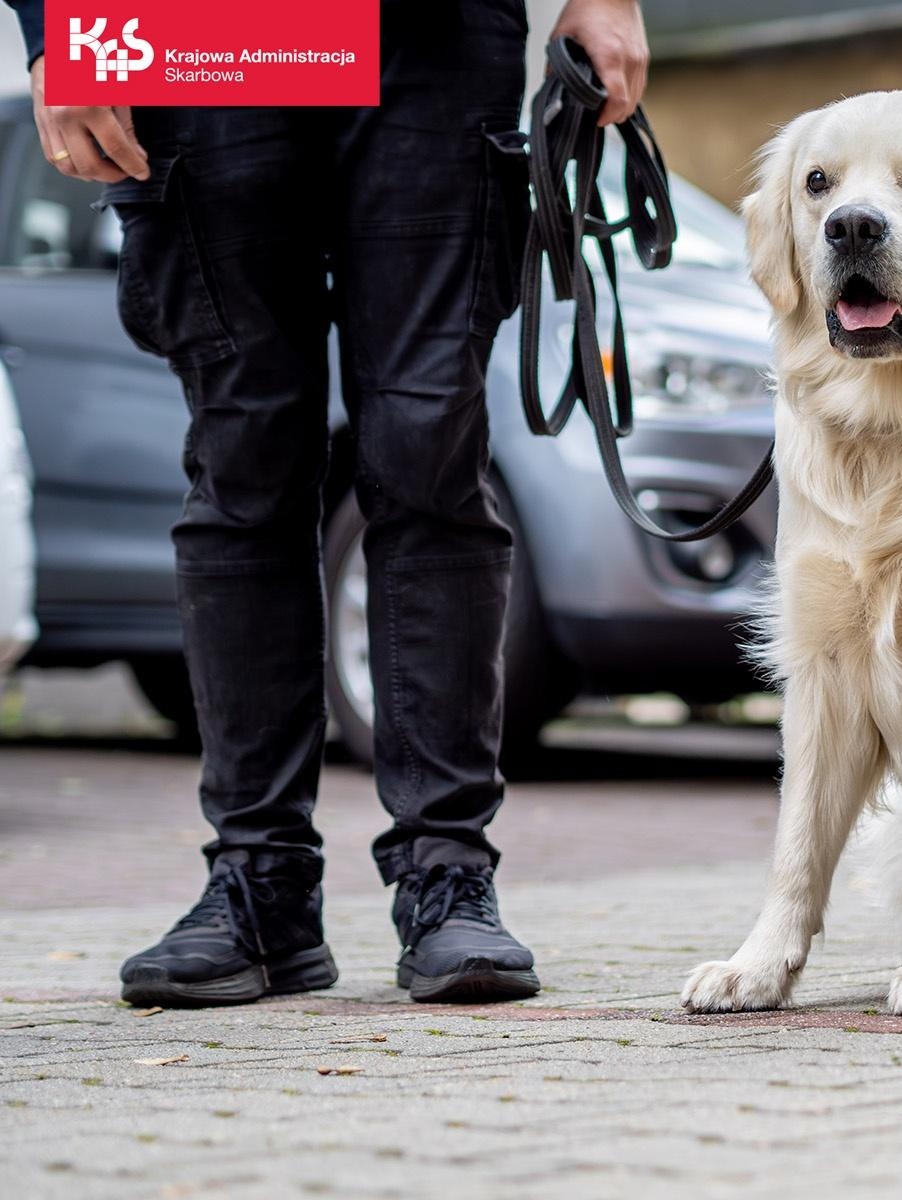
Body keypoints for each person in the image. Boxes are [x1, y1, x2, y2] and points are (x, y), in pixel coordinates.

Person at [2, 0, 649, 1005]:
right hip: (193, 28)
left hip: (424, 37)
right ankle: (260, 883)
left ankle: (447, 873)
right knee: (243, 456)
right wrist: (58, 28)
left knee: (429, 449)